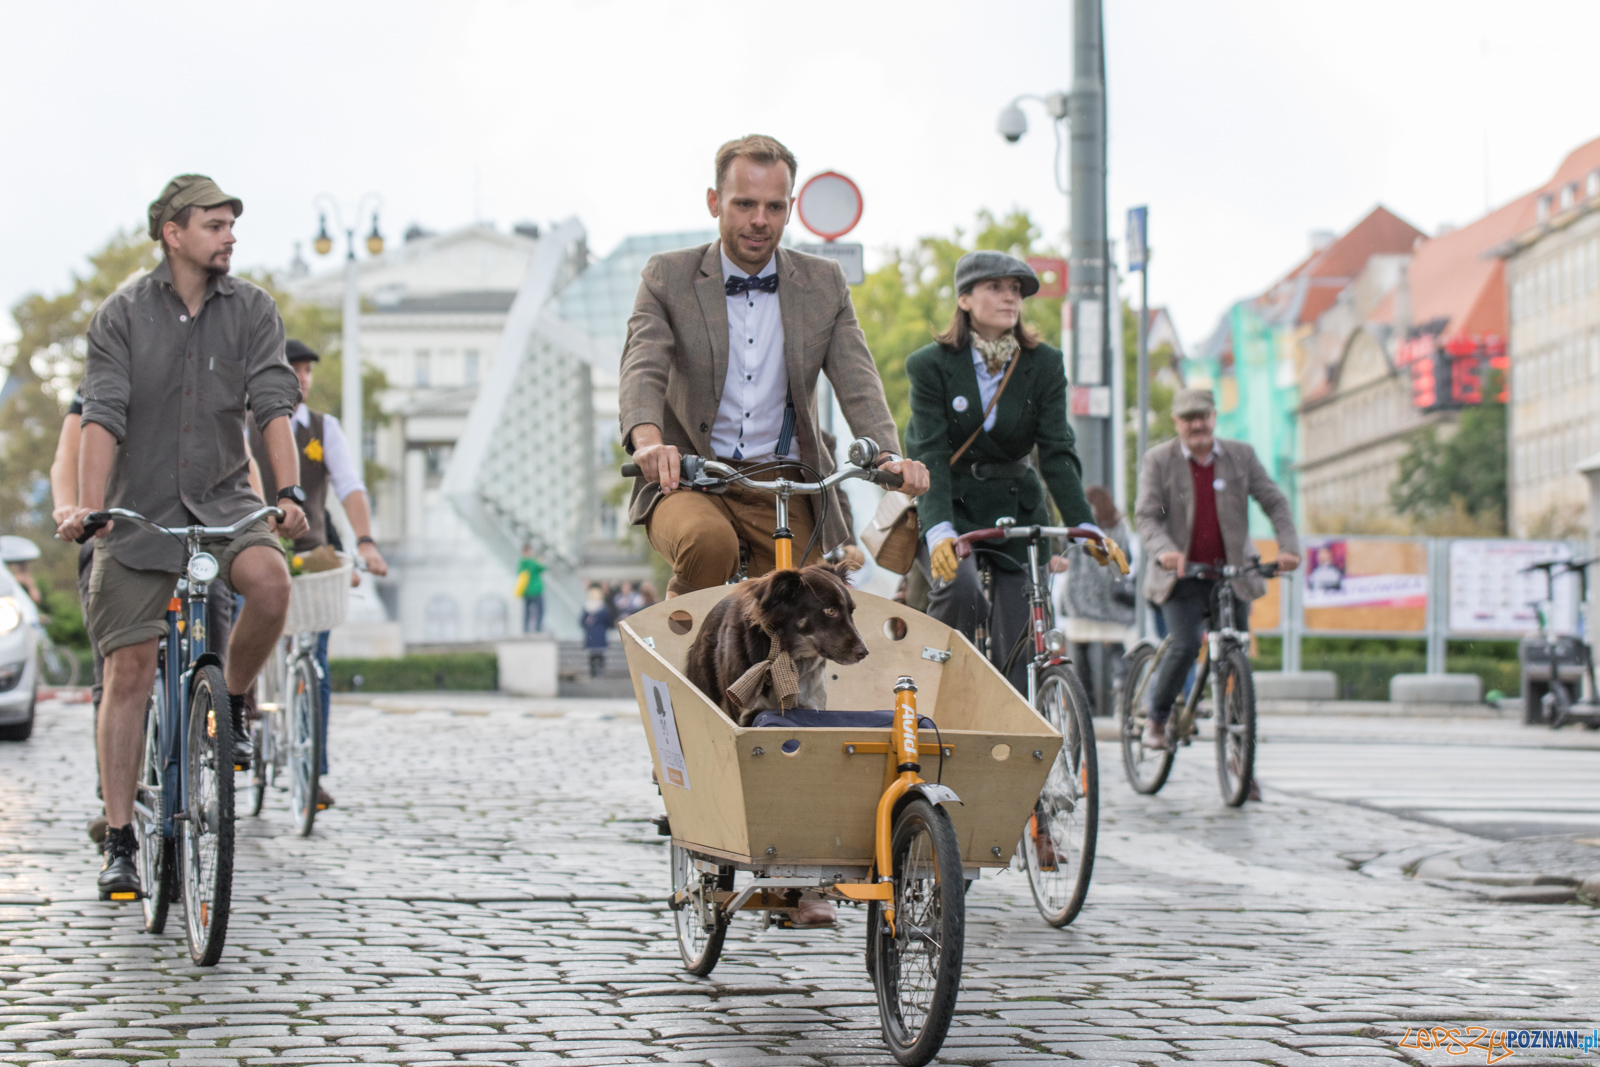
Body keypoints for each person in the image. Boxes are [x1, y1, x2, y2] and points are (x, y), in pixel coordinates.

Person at [57, 174, 311, 901]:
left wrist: (287, 492)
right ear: (173, 233)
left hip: (226, 498)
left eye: (232, 223)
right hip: (141, 508)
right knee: (130, 669)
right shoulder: (121, 316)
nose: (229, 234)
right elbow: (102, 415)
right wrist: (94, 508)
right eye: (213, 224)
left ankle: (229, 699)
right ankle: (119, 837)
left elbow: (273, 405)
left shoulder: (254, 309)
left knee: (271, 582)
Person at [618, 134, 929, 596]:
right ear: (714, 202)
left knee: (807, 601)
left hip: (783, 481)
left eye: (775, 207)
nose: (760, 221)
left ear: (790, 205)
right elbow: (643, 363)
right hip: (687, 477)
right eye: (744, 204)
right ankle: (682, 650)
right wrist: (649, 443)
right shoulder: (668, 277)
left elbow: (857, 380)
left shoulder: (823, 283)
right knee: (709, 545)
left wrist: (886, 454)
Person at [904, 251, 1098, 693]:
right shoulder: (929, 365)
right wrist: (938, 531)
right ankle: (934, 687)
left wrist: (1083, 523)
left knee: (1022, 632)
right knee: (960, 589)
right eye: (996, 288)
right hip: (952, 504)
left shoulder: (1044, 363)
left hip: (1018, 505)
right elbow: (929, 451)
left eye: (1016, 290)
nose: (1010, 298)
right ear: (966, 299)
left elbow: (1057, 451)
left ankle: (1017, 723)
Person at [248, 339, 388, 812]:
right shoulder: (243, 425)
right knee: (241, 637)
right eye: (293, 369)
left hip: (310, 548)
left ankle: (315, 770)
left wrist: (365, 541)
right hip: (250, 547)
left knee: (316, 659)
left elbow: (349, 486)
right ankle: (241, 721)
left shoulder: (323, 429)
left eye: (307, 371)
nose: (302, 378)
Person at [1133, 388, 1301, 750]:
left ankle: (1242, 757)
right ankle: (1157, 720)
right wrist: (1164, 551)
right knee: (1186, 644)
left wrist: (1288, 546)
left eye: (1203, 416)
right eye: (1189, 418)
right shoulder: (1159, 460)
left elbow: (1274, 501)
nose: (1197, 424)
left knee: (1236, 651)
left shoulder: (1241, 455)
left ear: (1214, 416)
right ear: (1176, 422)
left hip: (1232, 576)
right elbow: (1146, 517)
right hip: (1182, 576)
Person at [1062, 486, 1136, 714]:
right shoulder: (1118, 526)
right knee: (1116, 650)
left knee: (1080, 656)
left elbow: (1067, 554)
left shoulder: (1074, 525)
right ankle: (1126, 698)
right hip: (1109, 597)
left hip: (1079, 597)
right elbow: (1127, 557)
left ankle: (1086, 706)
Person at [581, 585, 610, 678]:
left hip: (591, 633)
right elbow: (607, 621)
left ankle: (593, 672)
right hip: (600, 633)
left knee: (592, 654)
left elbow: (582, 622)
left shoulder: (586, 608)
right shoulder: (602, 608)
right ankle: (600, 670)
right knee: (600, 654)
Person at [517, 544, 546, 632]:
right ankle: (538, 627)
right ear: (529, 551)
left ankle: (526, 629)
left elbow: (519, 574)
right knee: (539, 610)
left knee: (527, 612)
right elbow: (543, 568)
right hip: (536, 590)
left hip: (526, 591)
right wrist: (540, 560)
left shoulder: (521, 562)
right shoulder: (533, 562)